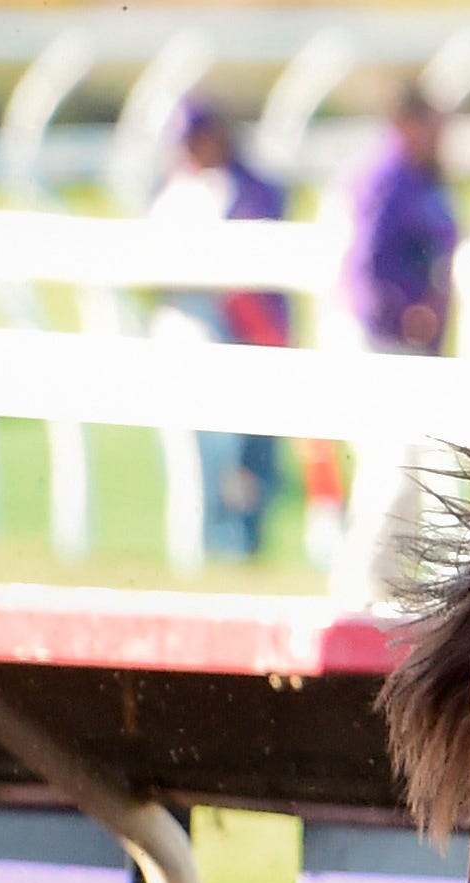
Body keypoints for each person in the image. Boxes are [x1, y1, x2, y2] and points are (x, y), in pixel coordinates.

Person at [149, 97, 289, 560]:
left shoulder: (247, 188)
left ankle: (239, 549)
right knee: (207, 457)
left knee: (249, 459)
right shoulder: (177, 189)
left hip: (250, 340)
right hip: (198, 339)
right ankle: (208, 550)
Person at [345, 85, 459, 355]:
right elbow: (370, 257)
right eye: (432, 127)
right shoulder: (386, 183)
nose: (439, 137)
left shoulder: (424, 177)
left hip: (421, 332)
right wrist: (404, 310)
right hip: (391, 335)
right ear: (409, 125)